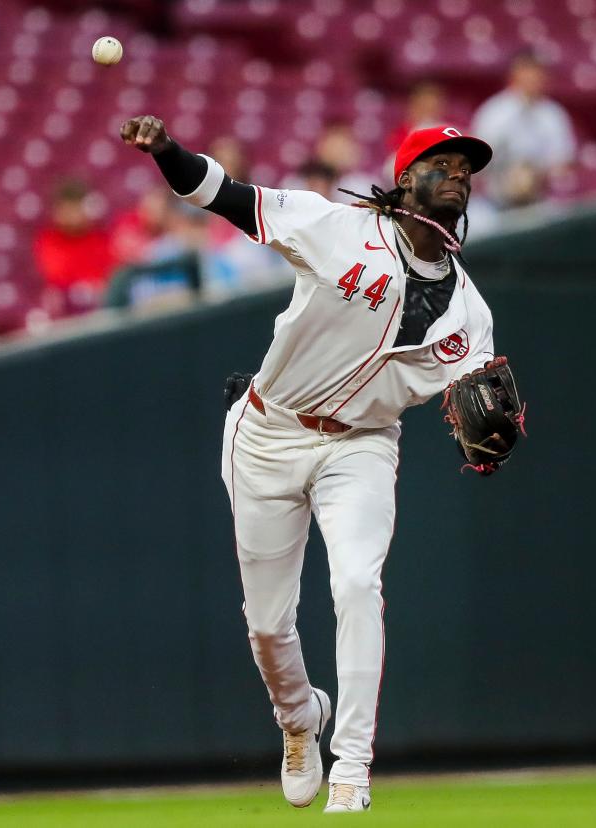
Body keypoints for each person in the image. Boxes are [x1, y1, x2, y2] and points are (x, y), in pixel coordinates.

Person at [120, 115, 523, 813]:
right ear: (405, 180)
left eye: (467, 167)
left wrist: (488, 422)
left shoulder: (467, 310)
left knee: (358, 582)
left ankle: (354, 767)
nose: (459, 175)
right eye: (444, 163)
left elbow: (482, 396)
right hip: (268, 433)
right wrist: (166, 153)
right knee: (269, 626)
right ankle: (299, 718)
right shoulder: (332, 226)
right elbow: (225, 195)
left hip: (361, 445)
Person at [471, 51, 577, 206]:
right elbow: (479, 160)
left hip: (540, 196)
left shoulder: (553, 113)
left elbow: (563, 159)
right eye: (527, 72)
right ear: (513, 75)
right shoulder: (494, 111)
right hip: (495, 197)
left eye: (537, 73)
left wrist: (534, 174)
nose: (532, 78)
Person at [32, 179, 115, 314]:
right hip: (65, 310)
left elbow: (110, 275)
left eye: (77, 208)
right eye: (68, 210)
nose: (73, 215)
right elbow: (55, 276)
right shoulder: (48, 240)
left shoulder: (101, 238)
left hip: (100, 308)